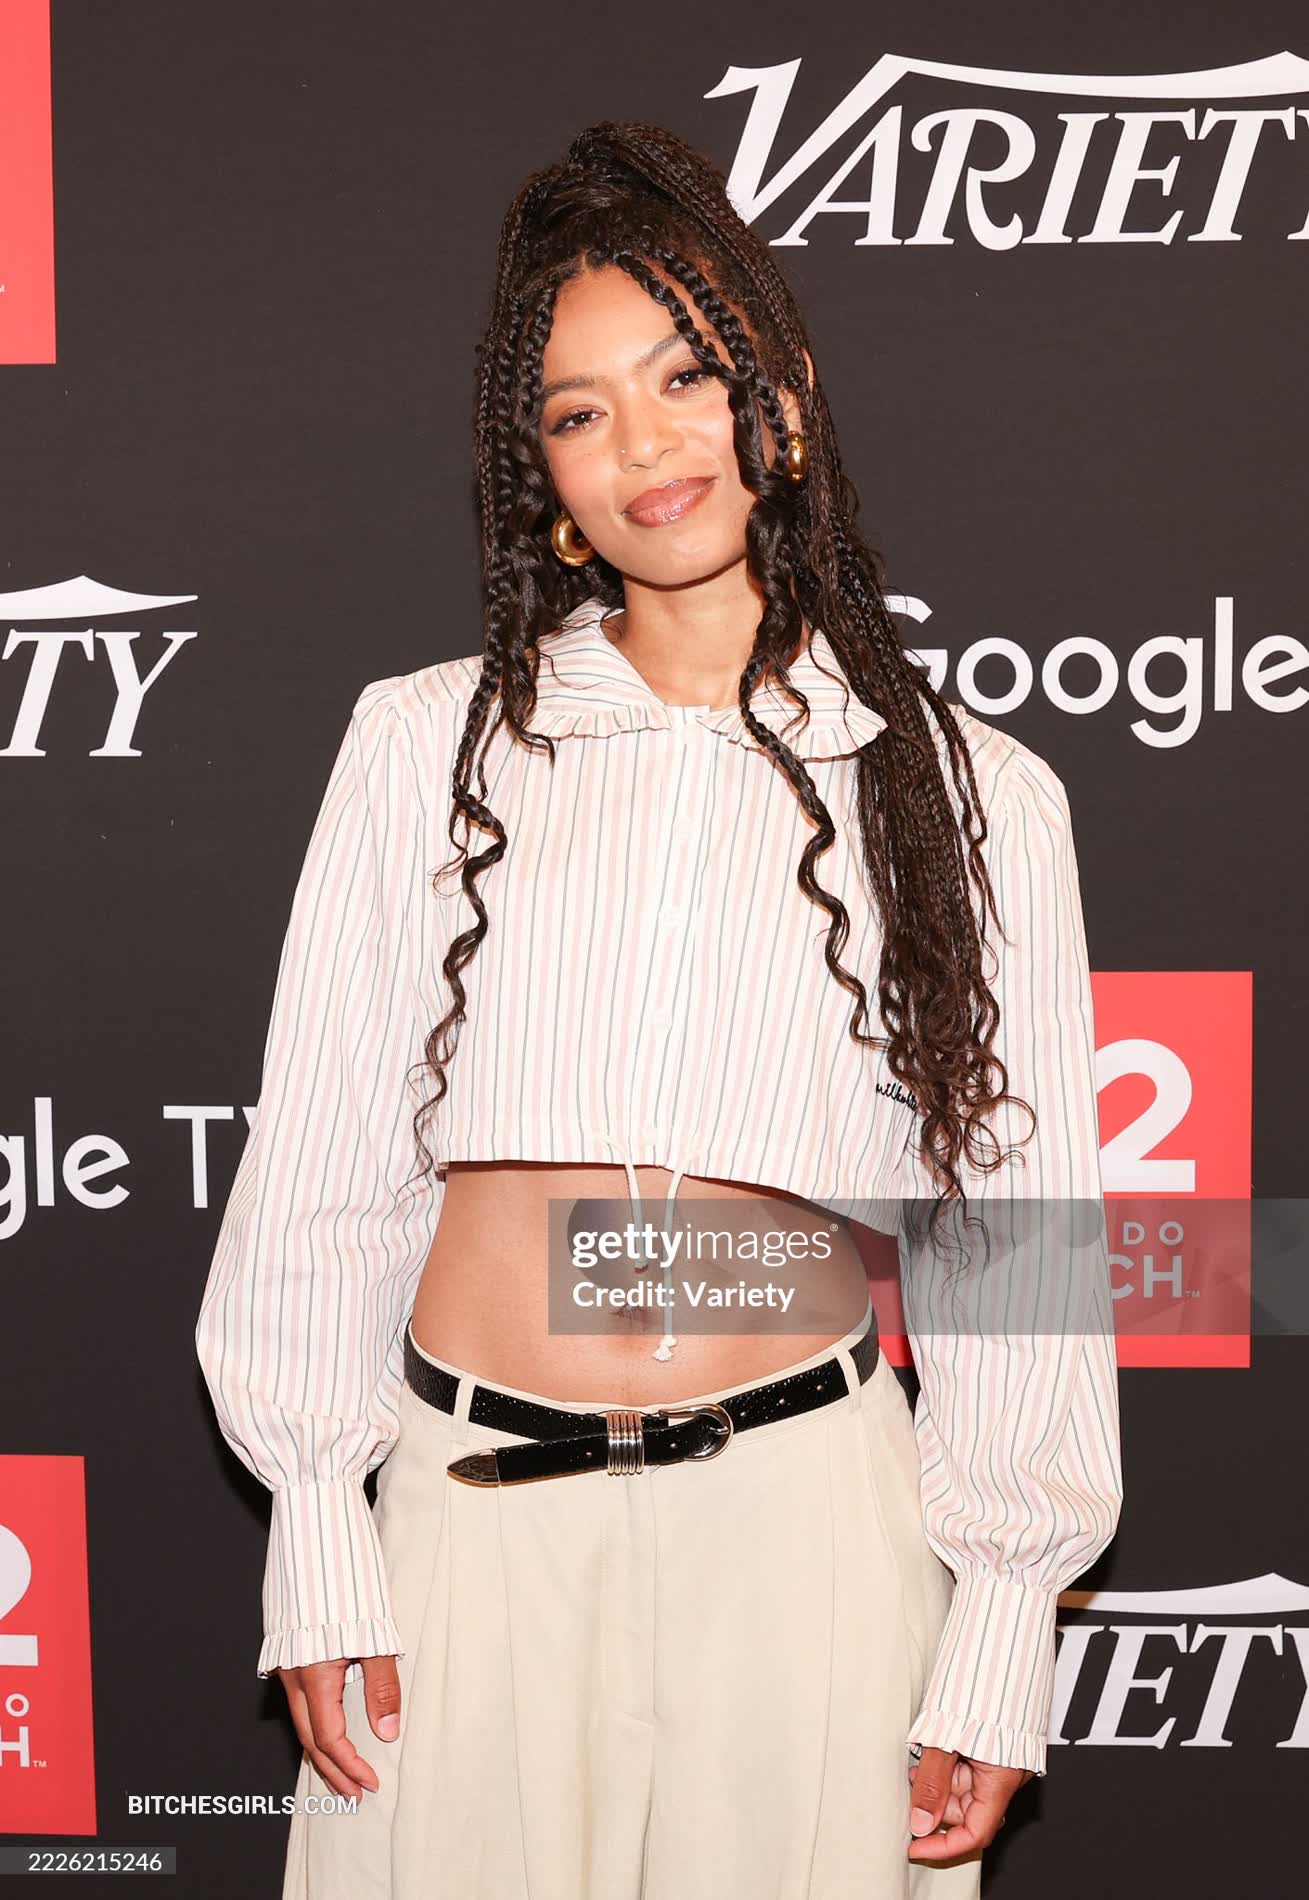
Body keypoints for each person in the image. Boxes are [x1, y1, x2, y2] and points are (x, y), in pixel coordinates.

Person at [195, 120, 1124, 1899]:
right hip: (468, 1529)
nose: (642, 442)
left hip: (807, 1539)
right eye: (578, 410)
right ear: (541, 473)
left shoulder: (972, 796)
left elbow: (1010, 1237)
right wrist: (316, 1523)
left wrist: (1004, 1621)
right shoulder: (428, 744)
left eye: (684, 376)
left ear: (781, 402)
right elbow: (324, 1162)